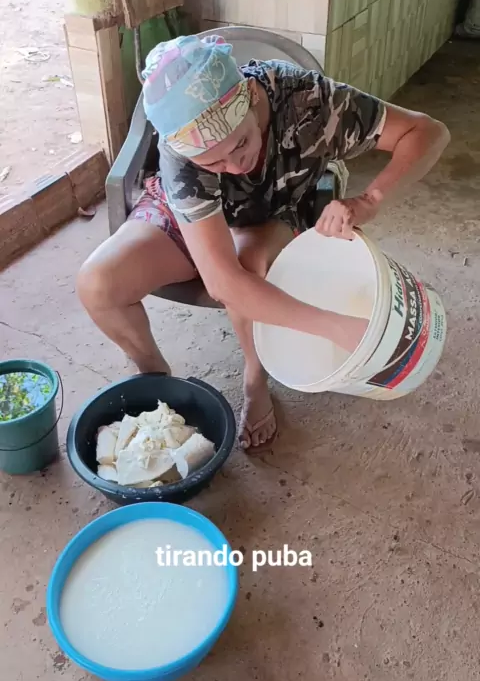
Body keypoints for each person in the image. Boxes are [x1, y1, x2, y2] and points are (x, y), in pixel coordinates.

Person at [77, 34, 450, 453]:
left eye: (240, 144)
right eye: (212, 161)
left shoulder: (308, 101)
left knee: (248, 263)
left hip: (274, 206)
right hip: (192, 213)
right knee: (98, 285)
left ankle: (255, 376)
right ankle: (156, 379)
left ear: (252, 96)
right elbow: (222, 283)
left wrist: (369, 200)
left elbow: (426, 132)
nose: (234, 166)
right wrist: (337, 328)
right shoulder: (180, 157)